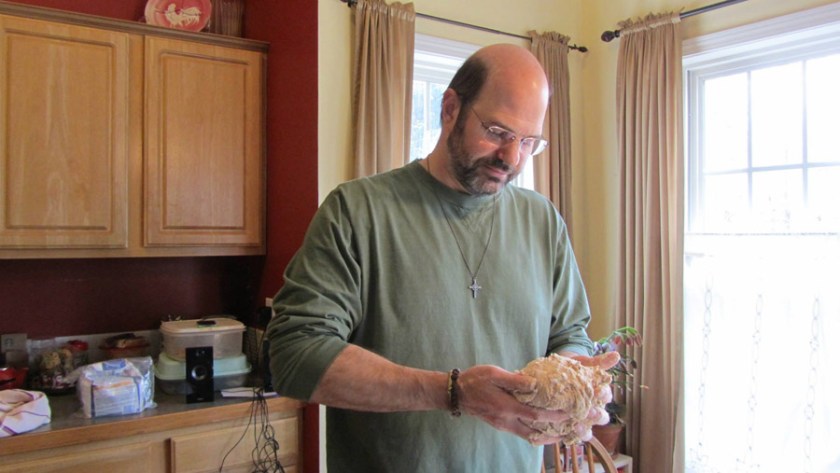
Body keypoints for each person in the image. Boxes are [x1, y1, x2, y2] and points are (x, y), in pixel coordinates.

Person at [266, 43, 614, 472]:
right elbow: (294, 353)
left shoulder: (542, 221)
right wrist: (452, 392)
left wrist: (574, 374)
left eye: (528, 142)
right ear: (450, 108)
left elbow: (570, 333)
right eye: (498, 132)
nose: (511, 158)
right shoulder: (358, 211)